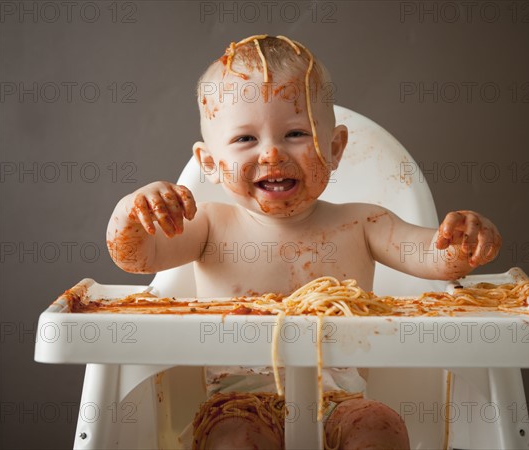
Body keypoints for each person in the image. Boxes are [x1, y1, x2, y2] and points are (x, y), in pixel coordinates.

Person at [107, 34, 501, 450]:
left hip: (341, 401)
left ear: (334, 148)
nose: (272, 154)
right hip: (236, 403)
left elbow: (435, 260)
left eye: (296, 133)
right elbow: (136, 257)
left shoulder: (361, 223)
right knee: (235, 440)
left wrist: (462, 243)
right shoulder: (209, 226)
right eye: (245, 139)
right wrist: (132, 212)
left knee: (380, 426)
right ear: (209, 162)